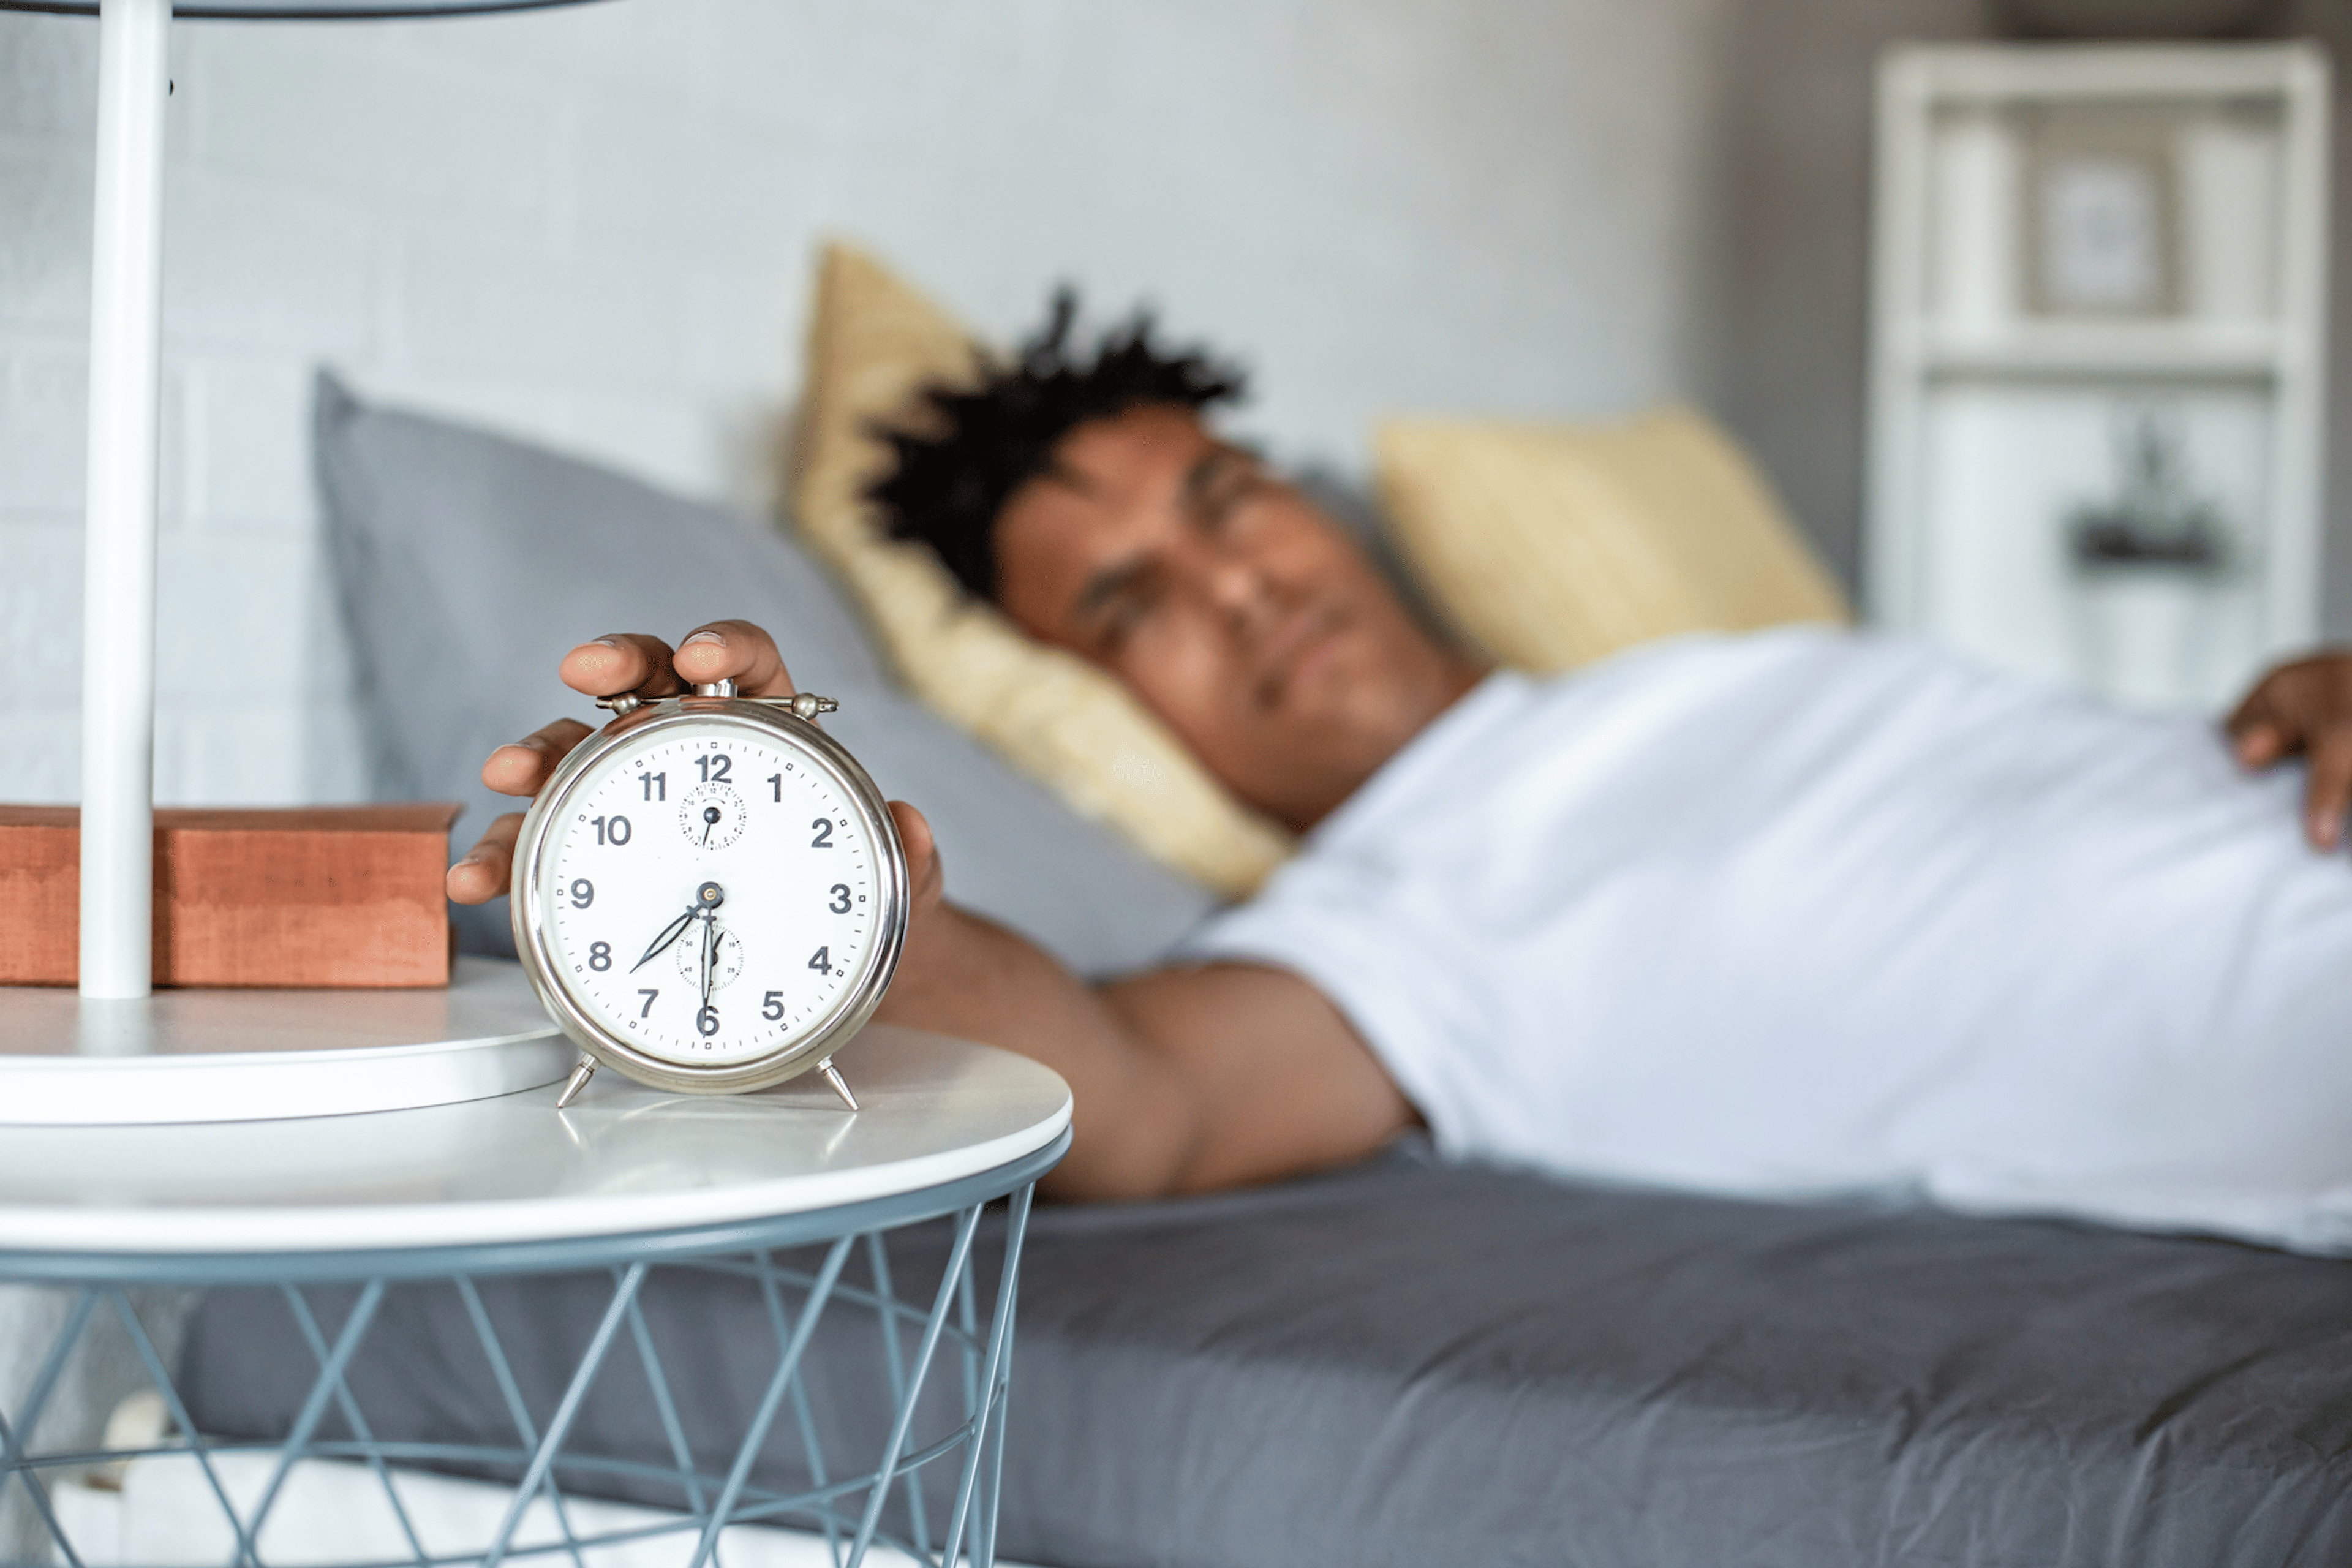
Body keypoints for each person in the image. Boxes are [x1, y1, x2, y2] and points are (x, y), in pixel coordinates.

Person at [447, 298, 2352, 1250]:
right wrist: (840, 885)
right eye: (1135, 604)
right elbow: (1137, 1106)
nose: (1243, 586)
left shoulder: (1725, 673)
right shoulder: (1389, 942)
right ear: (1091, 700)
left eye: (1232, 504)